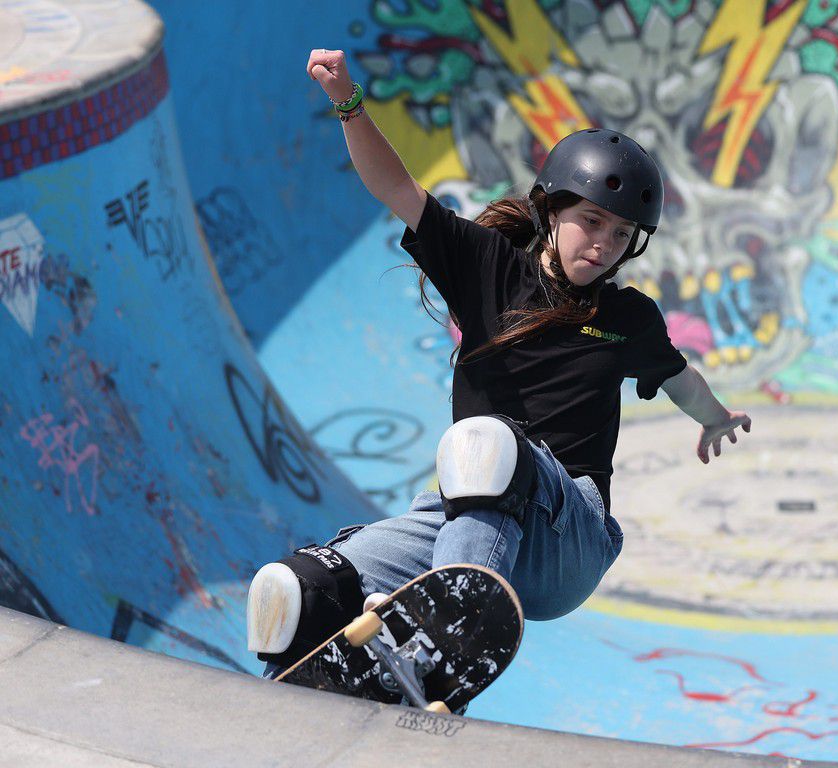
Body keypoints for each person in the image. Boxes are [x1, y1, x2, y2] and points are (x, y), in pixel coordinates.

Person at [246, 48, 752, 675]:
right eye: (591, 221)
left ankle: (451, 628)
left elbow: (677, 378)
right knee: (295, 590)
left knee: (487, 444)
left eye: (621, 235)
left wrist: (716, 418)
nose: (604, 245)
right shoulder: (486, 265)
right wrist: (348, 103)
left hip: (566, 541)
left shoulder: (628, 317)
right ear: (551, 210)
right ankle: (305, 695)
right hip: (464, 518)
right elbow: (397, 188)